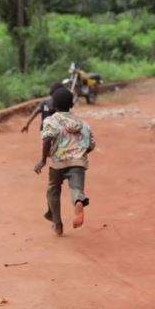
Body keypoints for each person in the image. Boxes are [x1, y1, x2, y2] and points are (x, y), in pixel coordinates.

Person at [34, 87, 95, 236]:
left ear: (54, 105)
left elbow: (47, 139)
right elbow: (91, 144)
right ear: (72, 105)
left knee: (53, 190)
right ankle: (79, 202)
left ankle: (58, 224)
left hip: (58, 162)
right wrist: (79, 154)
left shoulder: (51, 121)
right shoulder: (83, 124)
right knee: (76, 189)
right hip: (78, 162)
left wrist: (43, 160)